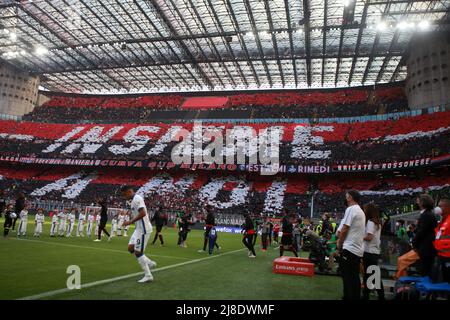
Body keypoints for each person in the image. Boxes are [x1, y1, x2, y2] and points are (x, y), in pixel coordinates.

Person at [394, 194, 437, 279]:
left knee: (424, 271)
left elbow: (421, 232)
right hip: (424, 248)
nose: (417, 202)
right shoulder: (428, 214)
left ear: (422, 202)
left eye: (418, 201)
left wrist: (414, 242)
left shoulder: (426, 215)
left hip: (424, 249)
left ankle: (401, 281)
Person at [120, 186, 156, 283]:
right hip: (138, 229)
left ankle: (148, 275)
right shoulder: (132, 200)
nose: (124, 197)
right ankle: (149, 262)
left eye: (124, 195)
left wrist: (130, 221)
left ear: (129, 191)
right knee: (130, 248)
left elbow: (143, 213)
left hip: (144, 229)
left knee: (138, 252)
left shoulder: (137, 199)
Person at [336, 190, 366, 300]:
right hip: (356, 248)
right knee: (353, 276)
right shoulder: (360, 210)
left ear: (351, 198)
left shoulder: (351, 209)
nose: (345, 197)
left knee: (348, 276)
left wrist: (340, 242)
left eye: (347, 196)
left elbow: (345, 228)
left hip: (350, 248)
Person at [362, 203, 385, 300]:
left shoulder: (371, 222)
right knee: (373, 275)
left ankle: (370, 295)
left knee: (371, 276)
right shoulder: (377, 222)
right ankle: (378, 295)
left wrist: (359, 237)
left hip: (369, 252)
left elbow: (369, 237)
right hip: (373, 252)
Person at [433, 198, 450, 283]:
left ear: (447, 208)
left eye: (440, 206)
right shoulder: (442, 221)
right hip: (442, 255)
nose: (438, 208)